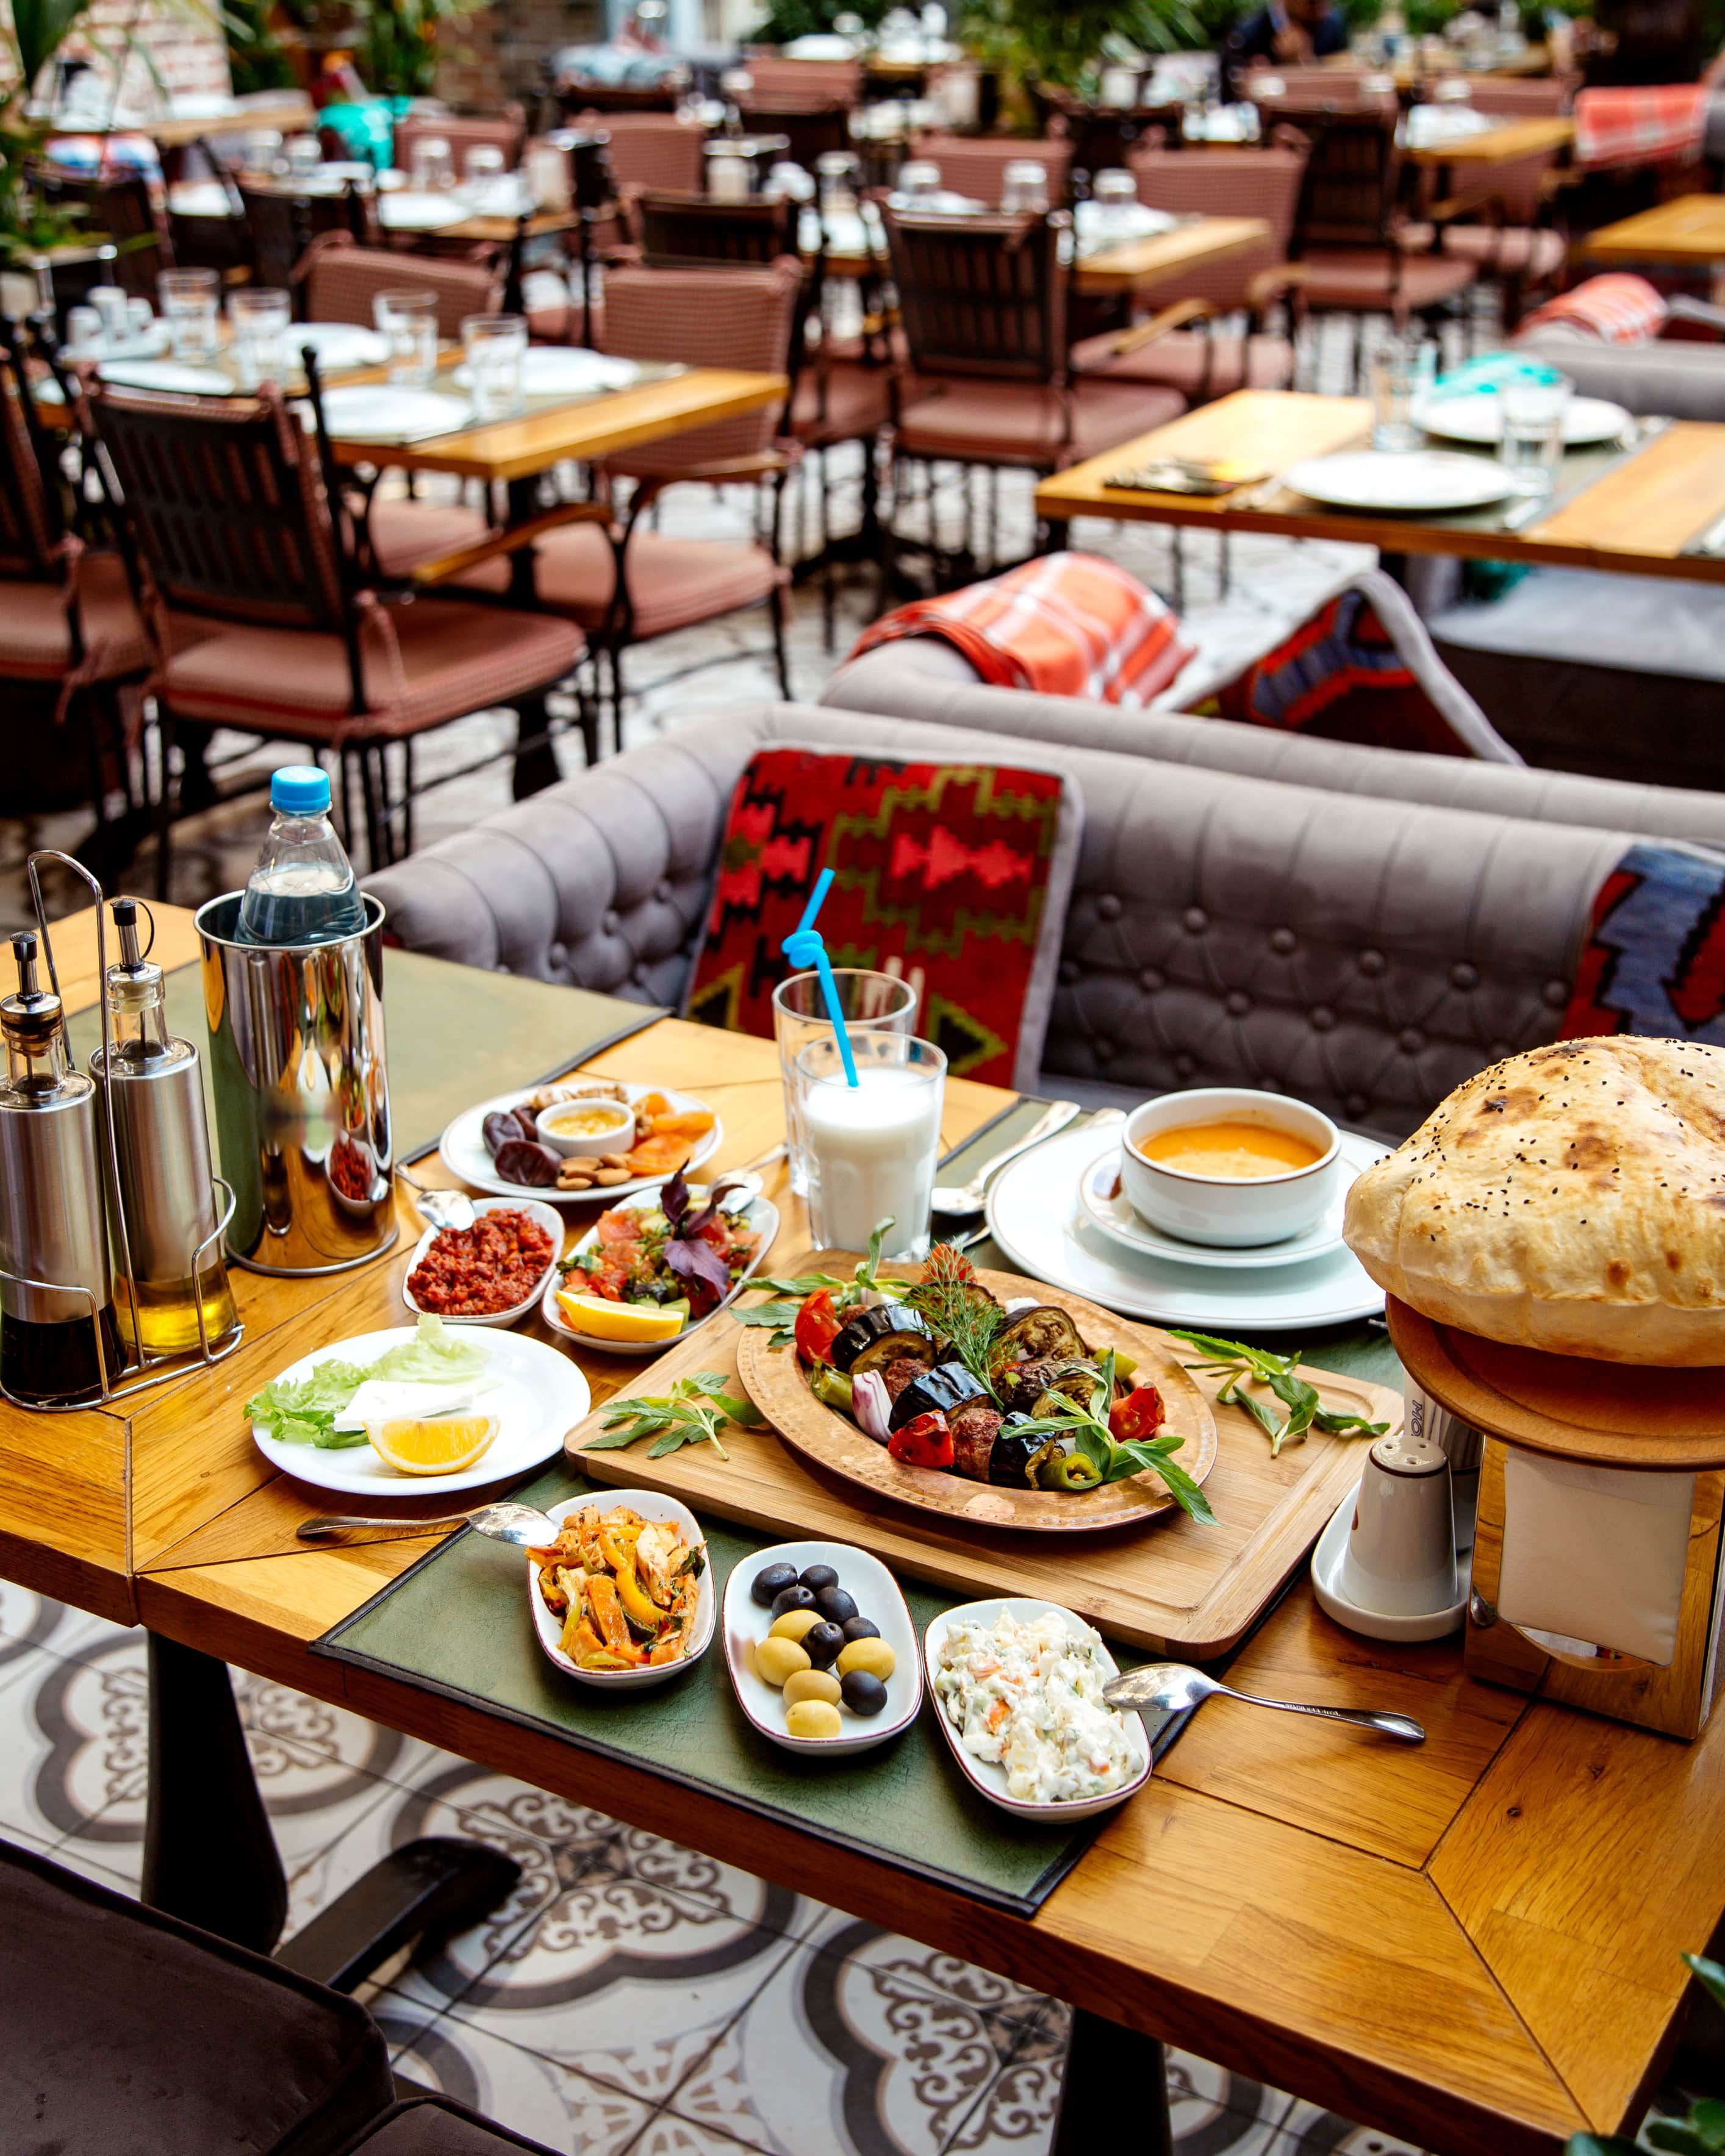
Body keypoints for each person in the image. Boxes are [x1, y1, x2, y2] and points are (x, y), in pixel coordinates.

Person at [1222, 0, 1348, 98]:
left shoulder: (1332, 26)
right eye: (1312, 2)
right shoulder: (1244, 37)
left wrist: (1308, 62)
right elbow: (1230, 99)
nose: (1322, 10)